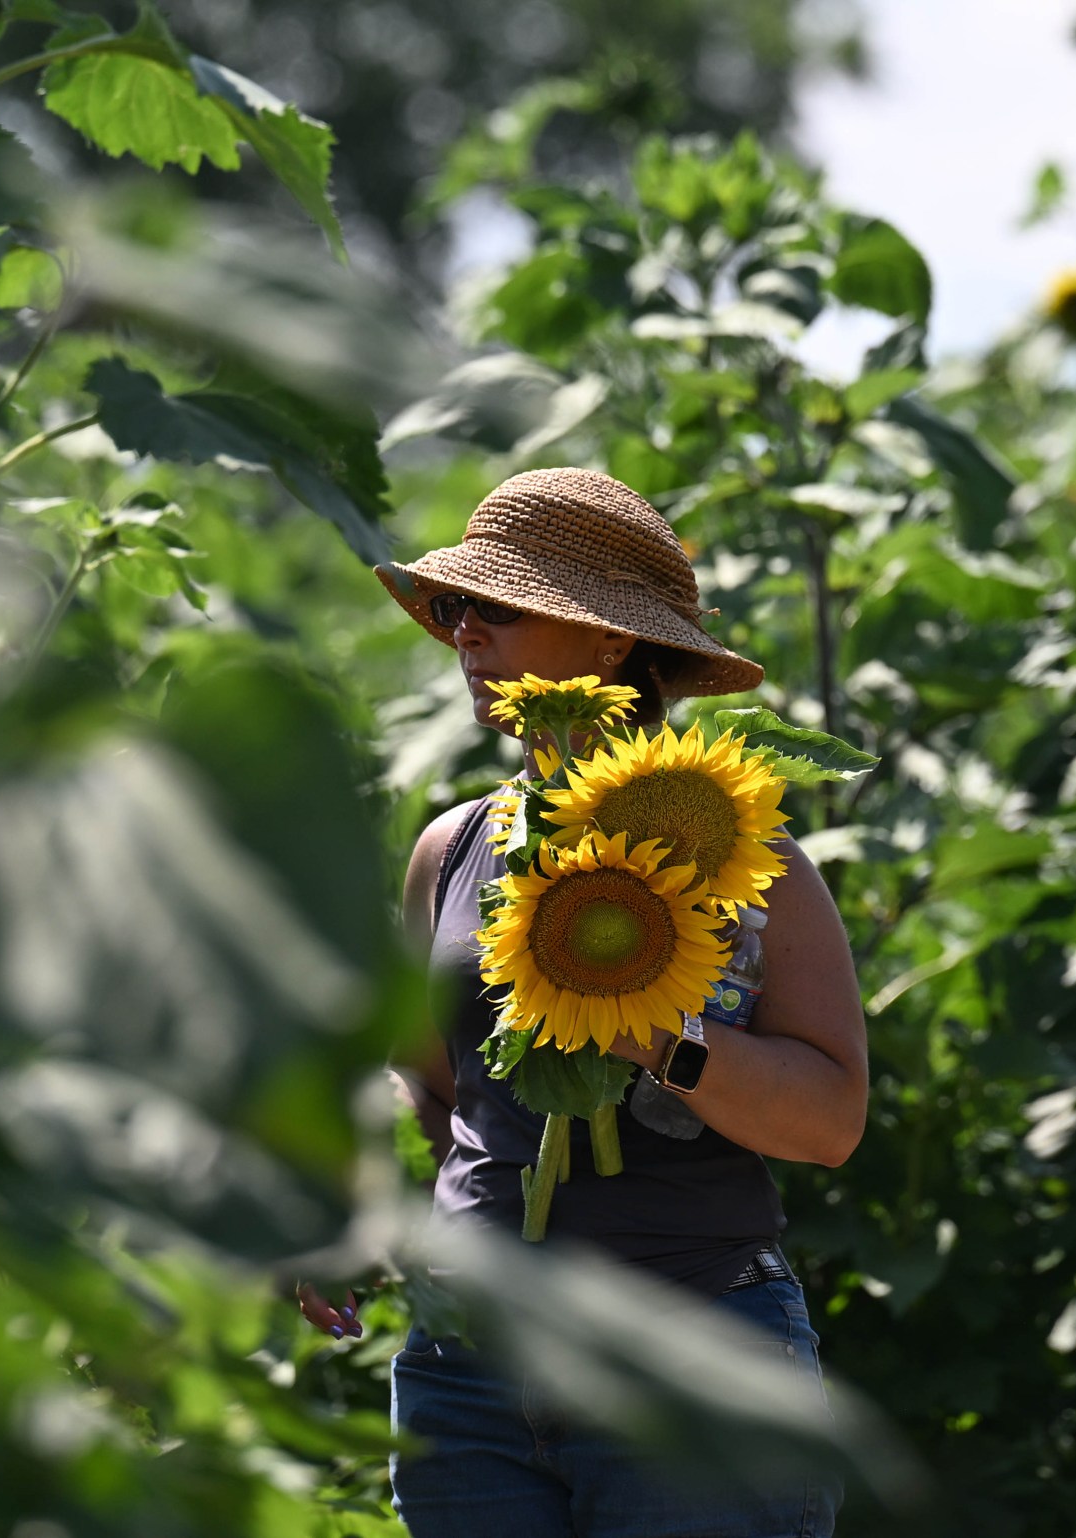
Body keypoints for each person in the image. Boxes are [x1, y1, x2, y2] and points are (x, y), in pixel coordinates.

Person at [299, 467, 869, 1538]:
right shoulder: (454, 845)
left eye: (497, 607)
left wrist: (659, 1033)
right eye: (457, 609)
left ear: (610, 645)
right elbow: (426, 1081)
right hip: (469, 1367)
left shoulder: (742, 858)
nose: (465, 633)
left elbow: (830, 1118)